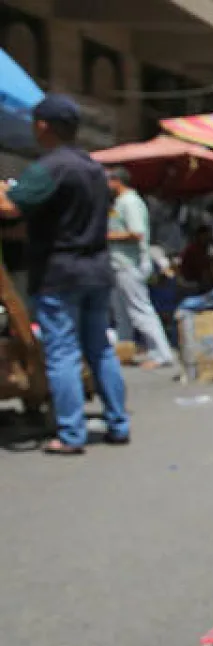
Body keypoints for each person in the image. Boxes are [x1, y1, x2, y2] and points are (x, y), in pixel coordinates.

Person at [0, 94, 128, 454]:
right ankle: (118, 423)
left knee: (62, 353)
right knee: (99, 349)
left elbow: (11, 208)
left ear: (43, 126)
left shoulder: (50, 167)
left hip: (60, 272)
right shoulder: (94, 169)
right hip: (96, 269)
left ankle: (71, 434)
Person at [105, 167, 174, 370]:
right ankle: (124, 351)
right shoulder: (119, 202)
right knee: (121, 313)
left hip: (130, 264)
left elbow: (136, 233)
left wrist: (107, 236)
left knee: (139, 310)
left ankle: (161, 353)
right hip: (118, 263)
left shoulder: (130, 202)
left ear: (117, 181)